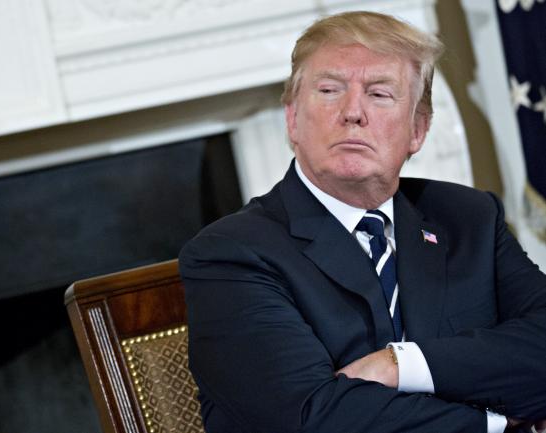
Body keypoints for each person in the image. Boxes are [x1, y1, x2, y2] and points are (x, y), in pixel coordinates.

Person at [179, 11, 546, 433]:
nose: (353, 112)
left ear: (418, 130)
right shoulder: (229, 254)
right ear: (293, 119)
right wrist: (497, 423)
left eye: (379, 94)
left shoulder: (468, 218)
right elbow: (313, 420)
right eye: (330, 90)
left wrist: (400, 365)